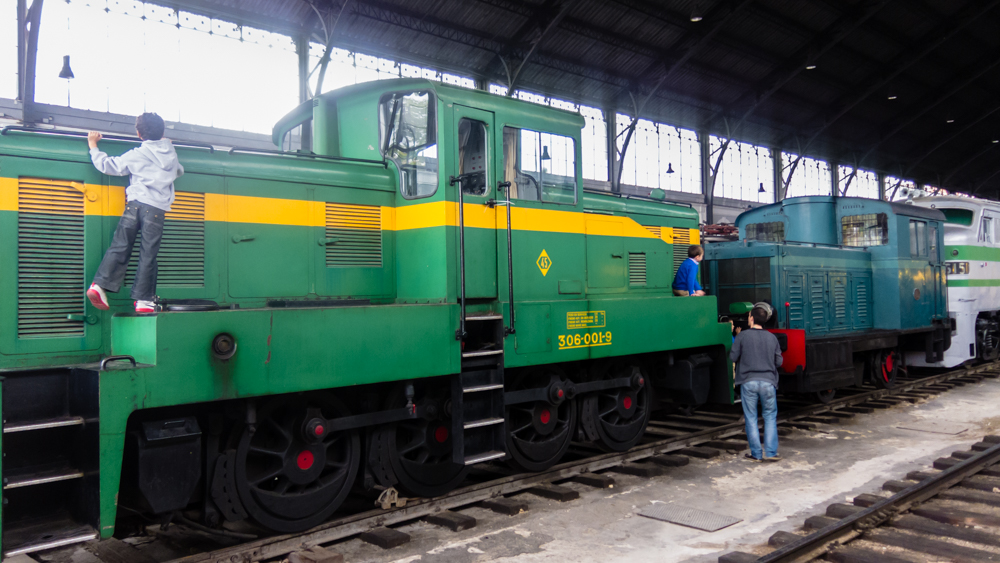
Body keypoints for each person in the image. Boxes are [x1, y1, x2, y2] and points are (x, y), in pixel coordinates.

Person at [85, 113, 183, 314]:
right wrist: (168, 148)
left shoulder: (136, 154)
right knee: (148, 254)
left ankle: (99, 285)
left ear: (139, 134)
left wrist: (93, 145)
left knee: (120, 245)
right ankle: (143, 301)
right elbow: (178, 172)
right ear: (163, 132)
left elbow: (109, 166)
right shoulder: (171, 155)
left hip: (135, 204)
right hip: (155, 210)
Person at [731, 306, 783, 462]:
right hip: (768, 382)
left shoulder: (743, 336)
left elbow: (733, 357)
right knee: (770, 416)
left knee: (751, 417)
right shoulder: (772, 338)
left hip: (748, 382)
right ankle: (771, 453)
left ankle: (756, 454)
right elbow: (779, 362)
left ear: (751, 319)